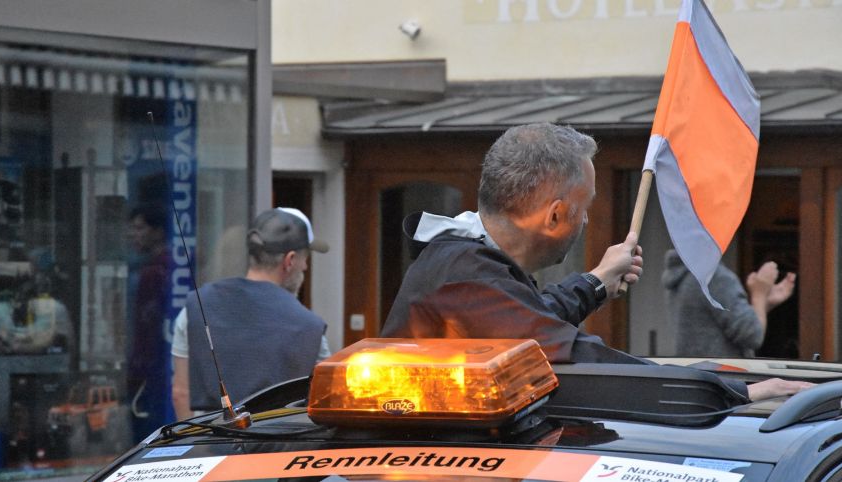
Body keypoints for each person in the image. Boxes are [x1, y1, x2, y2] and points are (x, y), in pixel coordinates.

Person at [381, 123, 811, 401]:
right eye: (584, 208)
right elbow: (572, 355)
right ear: (554, 216)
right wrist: (732, 391)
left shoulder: (464, 263)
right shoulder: (466, 276)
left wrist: (597, 282)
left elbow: (528, 324)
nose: (587, 220)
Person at [171, 208, 331, 418]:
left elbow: (181, 394)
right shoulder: (311, 327)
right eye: (304, 259)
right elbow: (326, 399)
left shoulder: (195, 308)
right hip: (280, 447)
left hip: (211, 444)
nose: (306, 266)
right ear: (290, 260)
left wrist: (193, 447)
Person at [663, 249, 797, 357]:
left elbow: (716, 324)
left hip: (698, 379)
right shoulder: (714, 278)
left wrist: (763, 304)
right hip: (723, 382)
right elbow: (752, 335)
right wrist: (760, 294)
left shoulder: (683, 275)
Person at [126, 204, 174, 441]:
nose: (133, 234)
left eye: (139, 228)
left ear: (158, 231)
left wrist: (137, 370)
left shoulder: (153, 272)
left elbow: (146, 329)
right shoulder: (167, 267)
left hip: (150, 373)